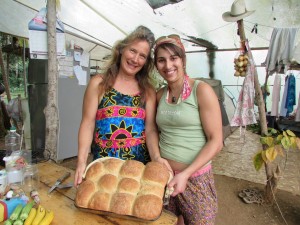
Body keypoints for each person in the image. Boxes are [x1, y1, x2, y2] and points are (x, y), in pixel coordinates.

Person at [74, 26, 167, 187]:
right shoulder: (99, 83)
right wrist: (81, 161)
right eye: (133, 51)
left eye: (142, 56)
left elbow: (150, 129)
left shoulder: (148, 91)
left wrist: (157, 157)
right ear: (122, 49)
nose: (135, 59)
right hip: (103, 168)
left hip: (137, 170)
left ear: (146, 62)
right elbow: (88, 123)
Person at [153, 35, 223, 225]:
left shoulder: (201, 90)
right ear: (156, 65)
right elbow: (151, 130)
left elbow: (216, 140)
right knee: (168, 222)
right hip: (165, 178)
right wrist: (157, 158)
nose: (168, 65)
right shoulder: (160, 95)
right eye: (161, 60)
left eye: (173, 58)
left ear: (183, 60)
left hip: (196, 179)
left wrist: (185, 174)